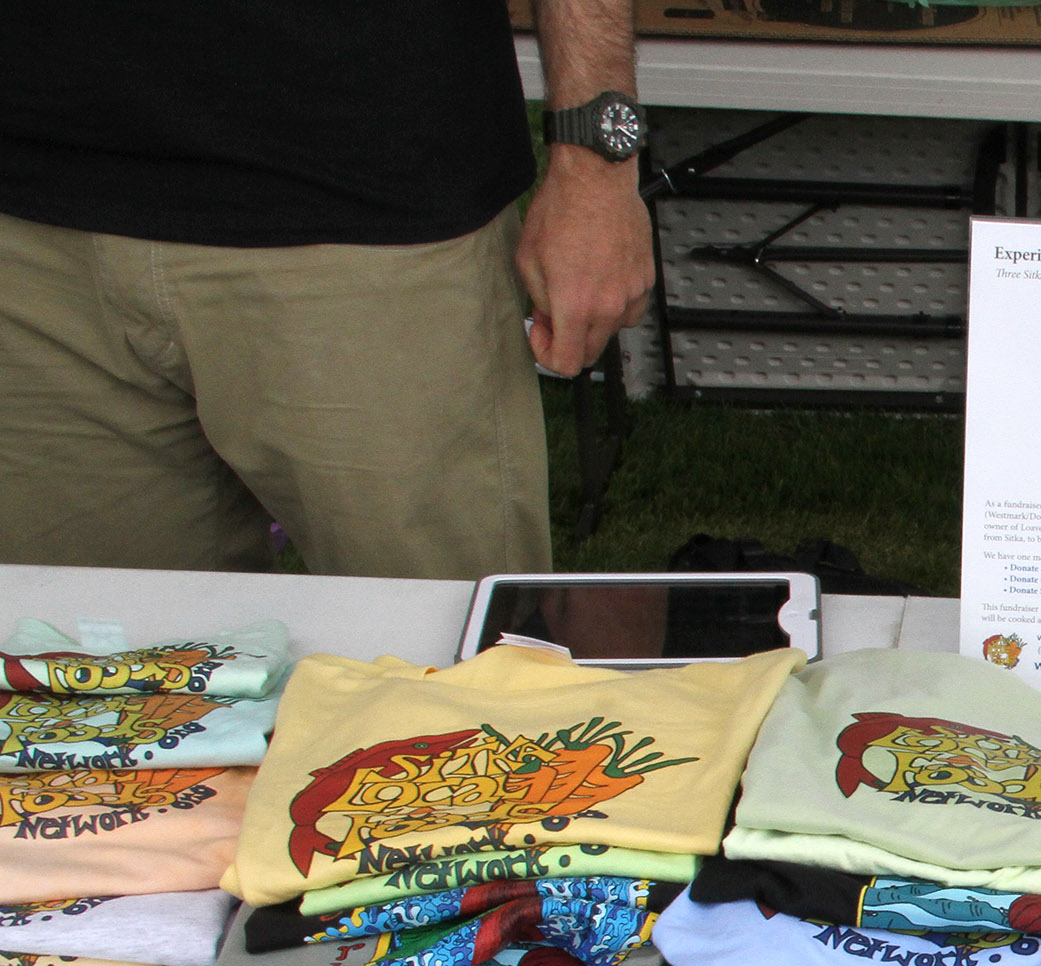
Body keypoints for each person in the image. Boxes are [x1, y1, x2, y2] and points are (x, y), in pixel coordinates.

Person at [0, 0, 655, 580]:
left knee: (437, 661)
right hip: (33, 226)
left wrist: (597, 162)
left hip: (370, 209)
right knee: (86, 662)